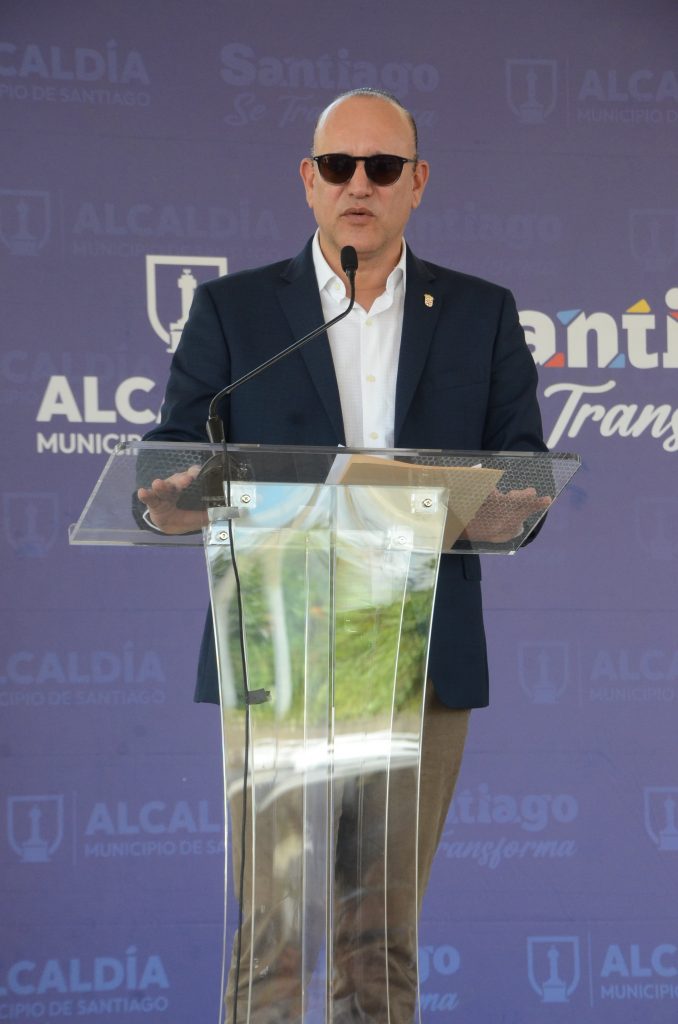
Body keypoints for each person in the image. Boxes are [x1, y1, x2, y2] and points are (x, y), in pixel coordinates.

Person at [138, 88, 549, 1023]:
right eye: (338, 166)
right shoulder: (234, 311)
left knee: (382, 938)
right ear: (308, 180)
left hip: (420, 652)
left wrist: (508, 505)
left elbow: (522, 469)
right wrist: (166, 494)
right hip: (278, 646)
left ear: (418, 181)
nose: (359, 184)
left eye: (382, 166)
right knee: (273, 935)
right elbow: (174, 455)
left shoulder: (481, 313)